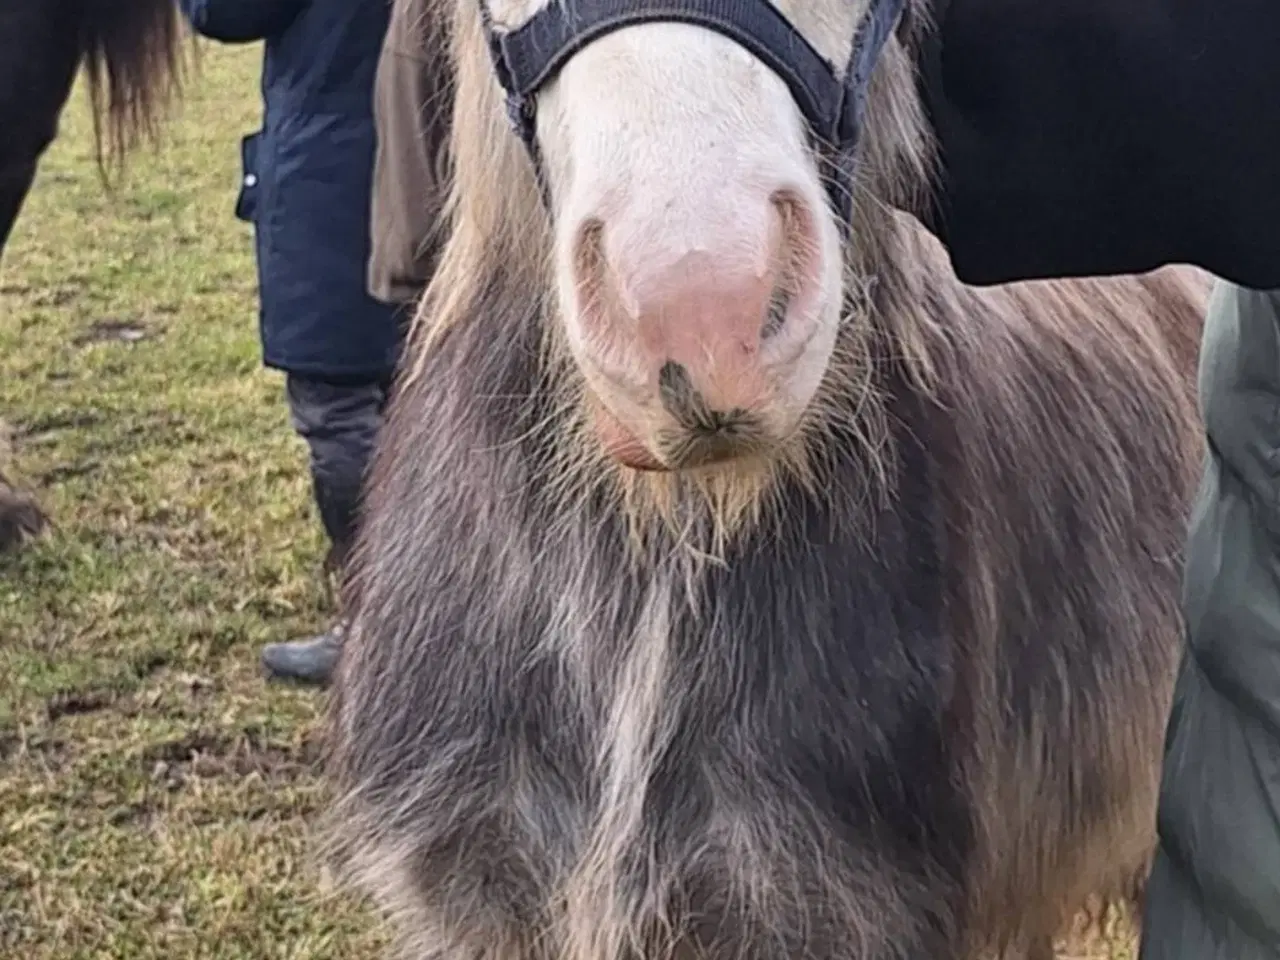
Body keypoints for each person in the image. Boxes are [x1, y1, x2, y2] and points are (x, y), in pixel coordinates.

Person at [176, 0, 405, 685]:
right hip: (430, 160)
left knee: (335, 401)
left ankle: (380, 627)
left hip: (335, 173)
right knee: (422, 395)